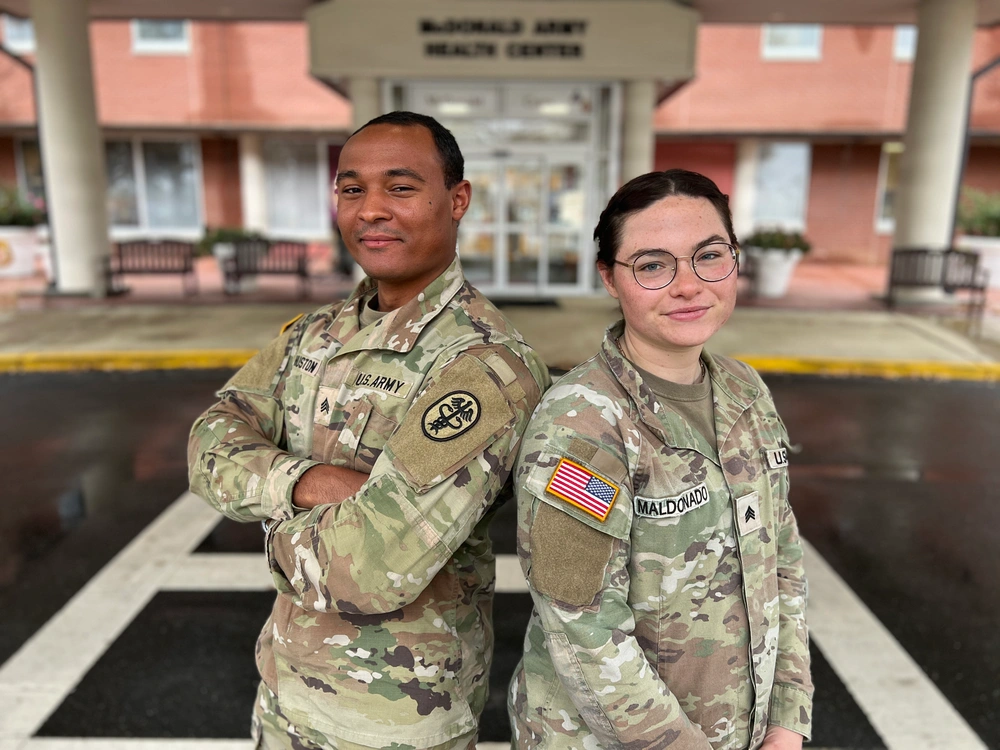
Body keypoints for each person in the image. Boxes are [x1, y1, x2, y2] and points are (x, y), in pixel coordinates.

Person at [188, 111, 550, 750]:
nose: (371, 209)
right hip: (282, 693)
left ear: (457, 200)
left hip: (395, 719)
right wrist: (307, 483)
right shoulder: (313, 334)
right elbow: (207, 442)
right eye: (351, 189)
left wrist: (265, 512)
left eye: (401, 188)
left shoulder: (483, 366)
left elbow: (372, 565)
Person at [508, 170, 813, 750]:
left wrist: (787, 719)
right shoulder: (582, 425)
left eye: (709, 256)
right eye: (652, 265)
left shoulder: (744, 392)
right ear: (609, 278)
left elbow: (784, 557)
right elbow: (583, 624)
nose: (689, 286)